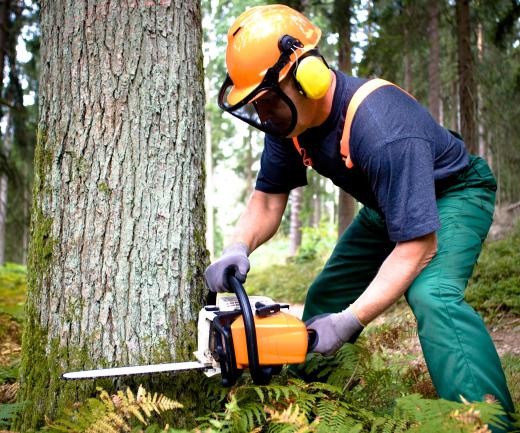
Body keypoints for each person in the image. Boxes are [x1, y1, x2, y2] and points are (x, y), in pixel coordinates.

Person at [204, 4, 515, 430]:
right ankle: (312, 407)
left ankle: (488, 422)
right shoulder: (288, 124)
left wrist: (352, 322)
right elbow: (267, 202)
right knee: (326, 296)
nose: (264, 115)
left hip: (453, 193)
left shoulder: (382, 128)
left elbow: (417, 246)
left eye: (268, 101)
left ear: (306, 77)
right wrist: (237, 247)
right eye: (256, 105)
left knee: (432, 295)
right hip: (388, 206)